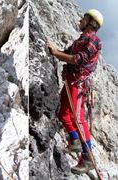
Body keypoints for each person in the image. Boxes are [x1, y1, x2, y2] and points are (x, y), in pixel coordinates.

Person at [46, 9, 103, 174]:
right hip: (71, 81)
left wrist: (56, 52)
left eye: (84, 18)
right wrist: (55, 49)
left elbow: (77, 59)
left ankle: (87, 158)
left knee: (78, 119)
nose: (81, 19)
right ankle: (75, 141)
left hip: (78, 83)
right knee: (62, 113)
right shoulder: (81, 40)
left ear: (91, 22)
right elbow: (67, 53)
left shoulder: (94, 41)